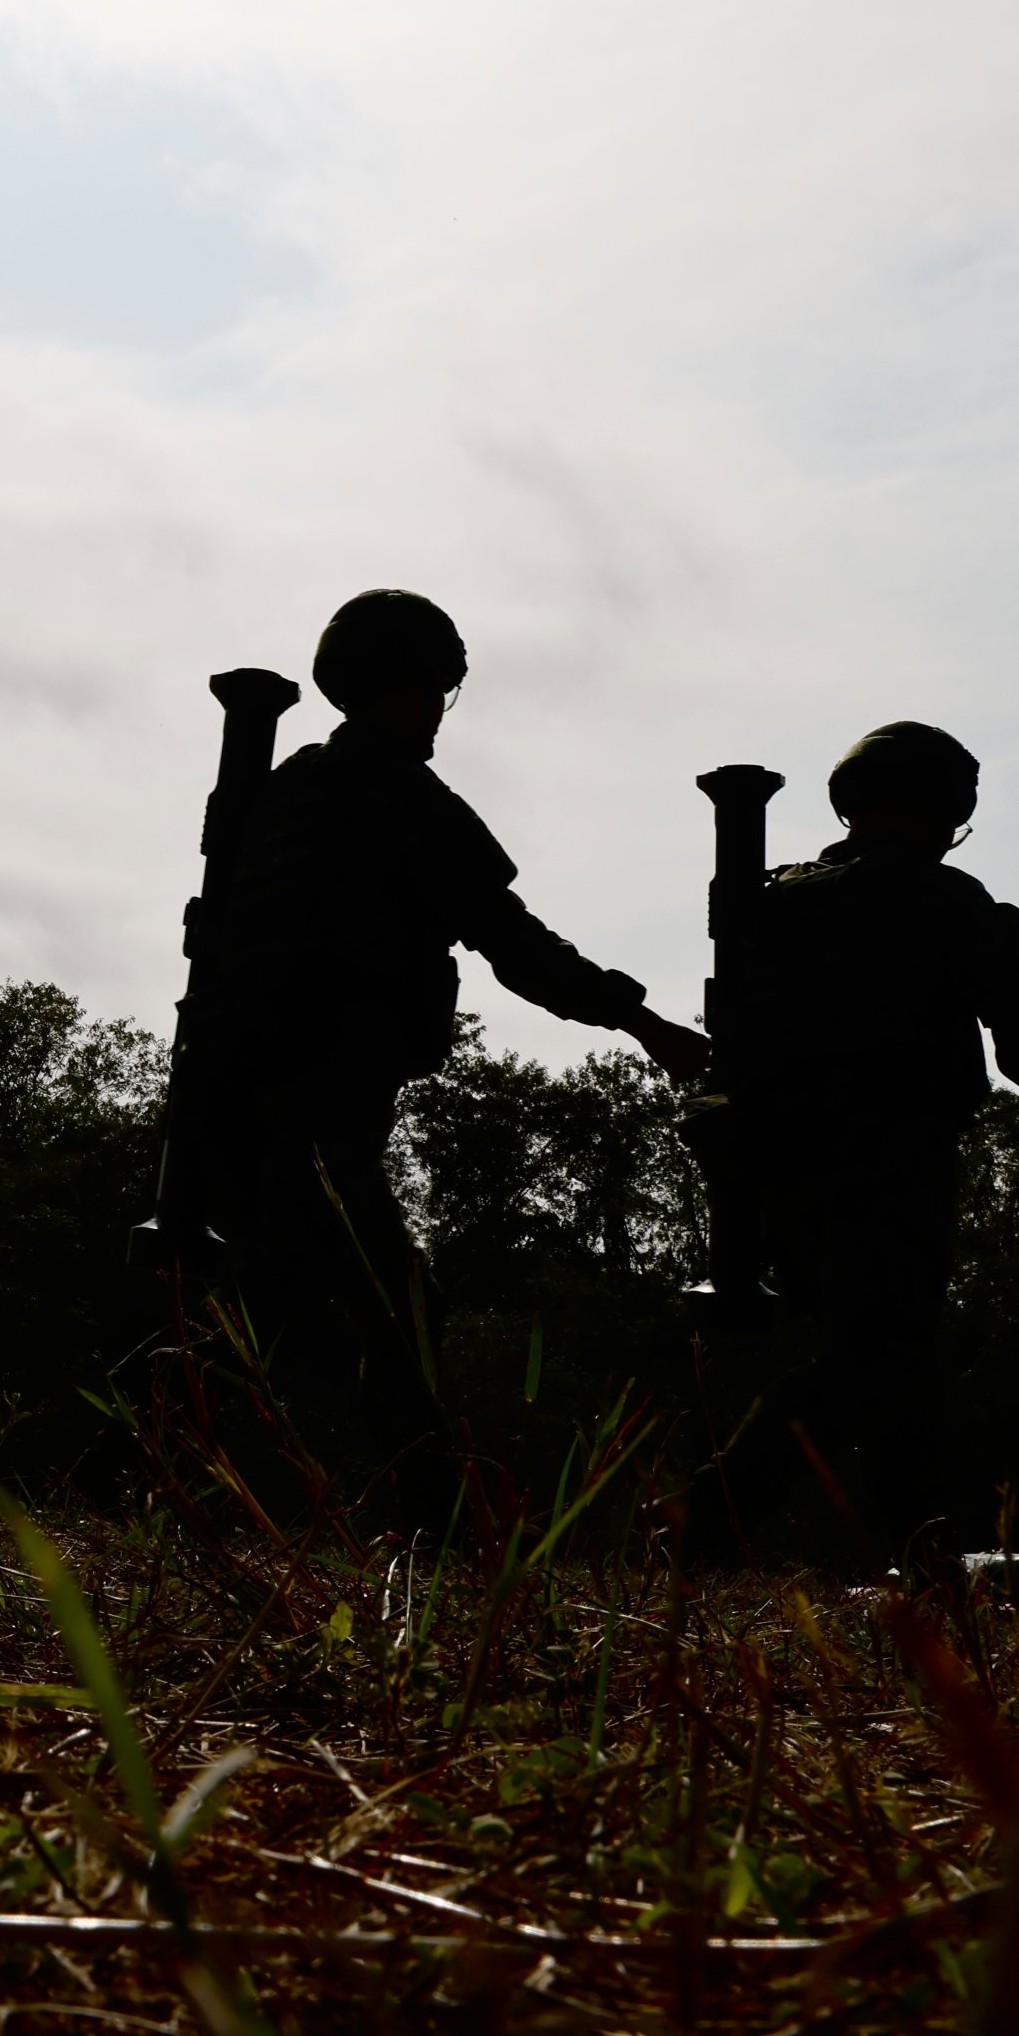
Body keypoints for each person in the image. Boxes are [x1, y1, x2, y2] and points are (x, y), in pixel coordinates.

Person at [188, 590, 708, 1434]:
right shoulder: (399, 797)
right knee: (387, 1309)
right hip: (319, 1099)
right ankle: (419, 1508)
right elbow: (516, 944)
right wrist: (644, 1026)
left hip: (237, 1088)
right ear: (407, 685)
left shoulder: (285, 791)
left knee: (280, 1300)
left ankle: (284, 1493)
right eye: (437, 688)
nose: (440, 711)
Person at [714, 721, 1019, 1551]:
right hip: (890, 1159)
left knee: (886, 1358)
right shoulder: (942, 900)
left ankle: (915, 1547)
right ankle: (716, 1513)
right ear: (950, 809)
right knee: (880, 1357)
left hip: (776, 1166)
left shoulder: (776, 897)